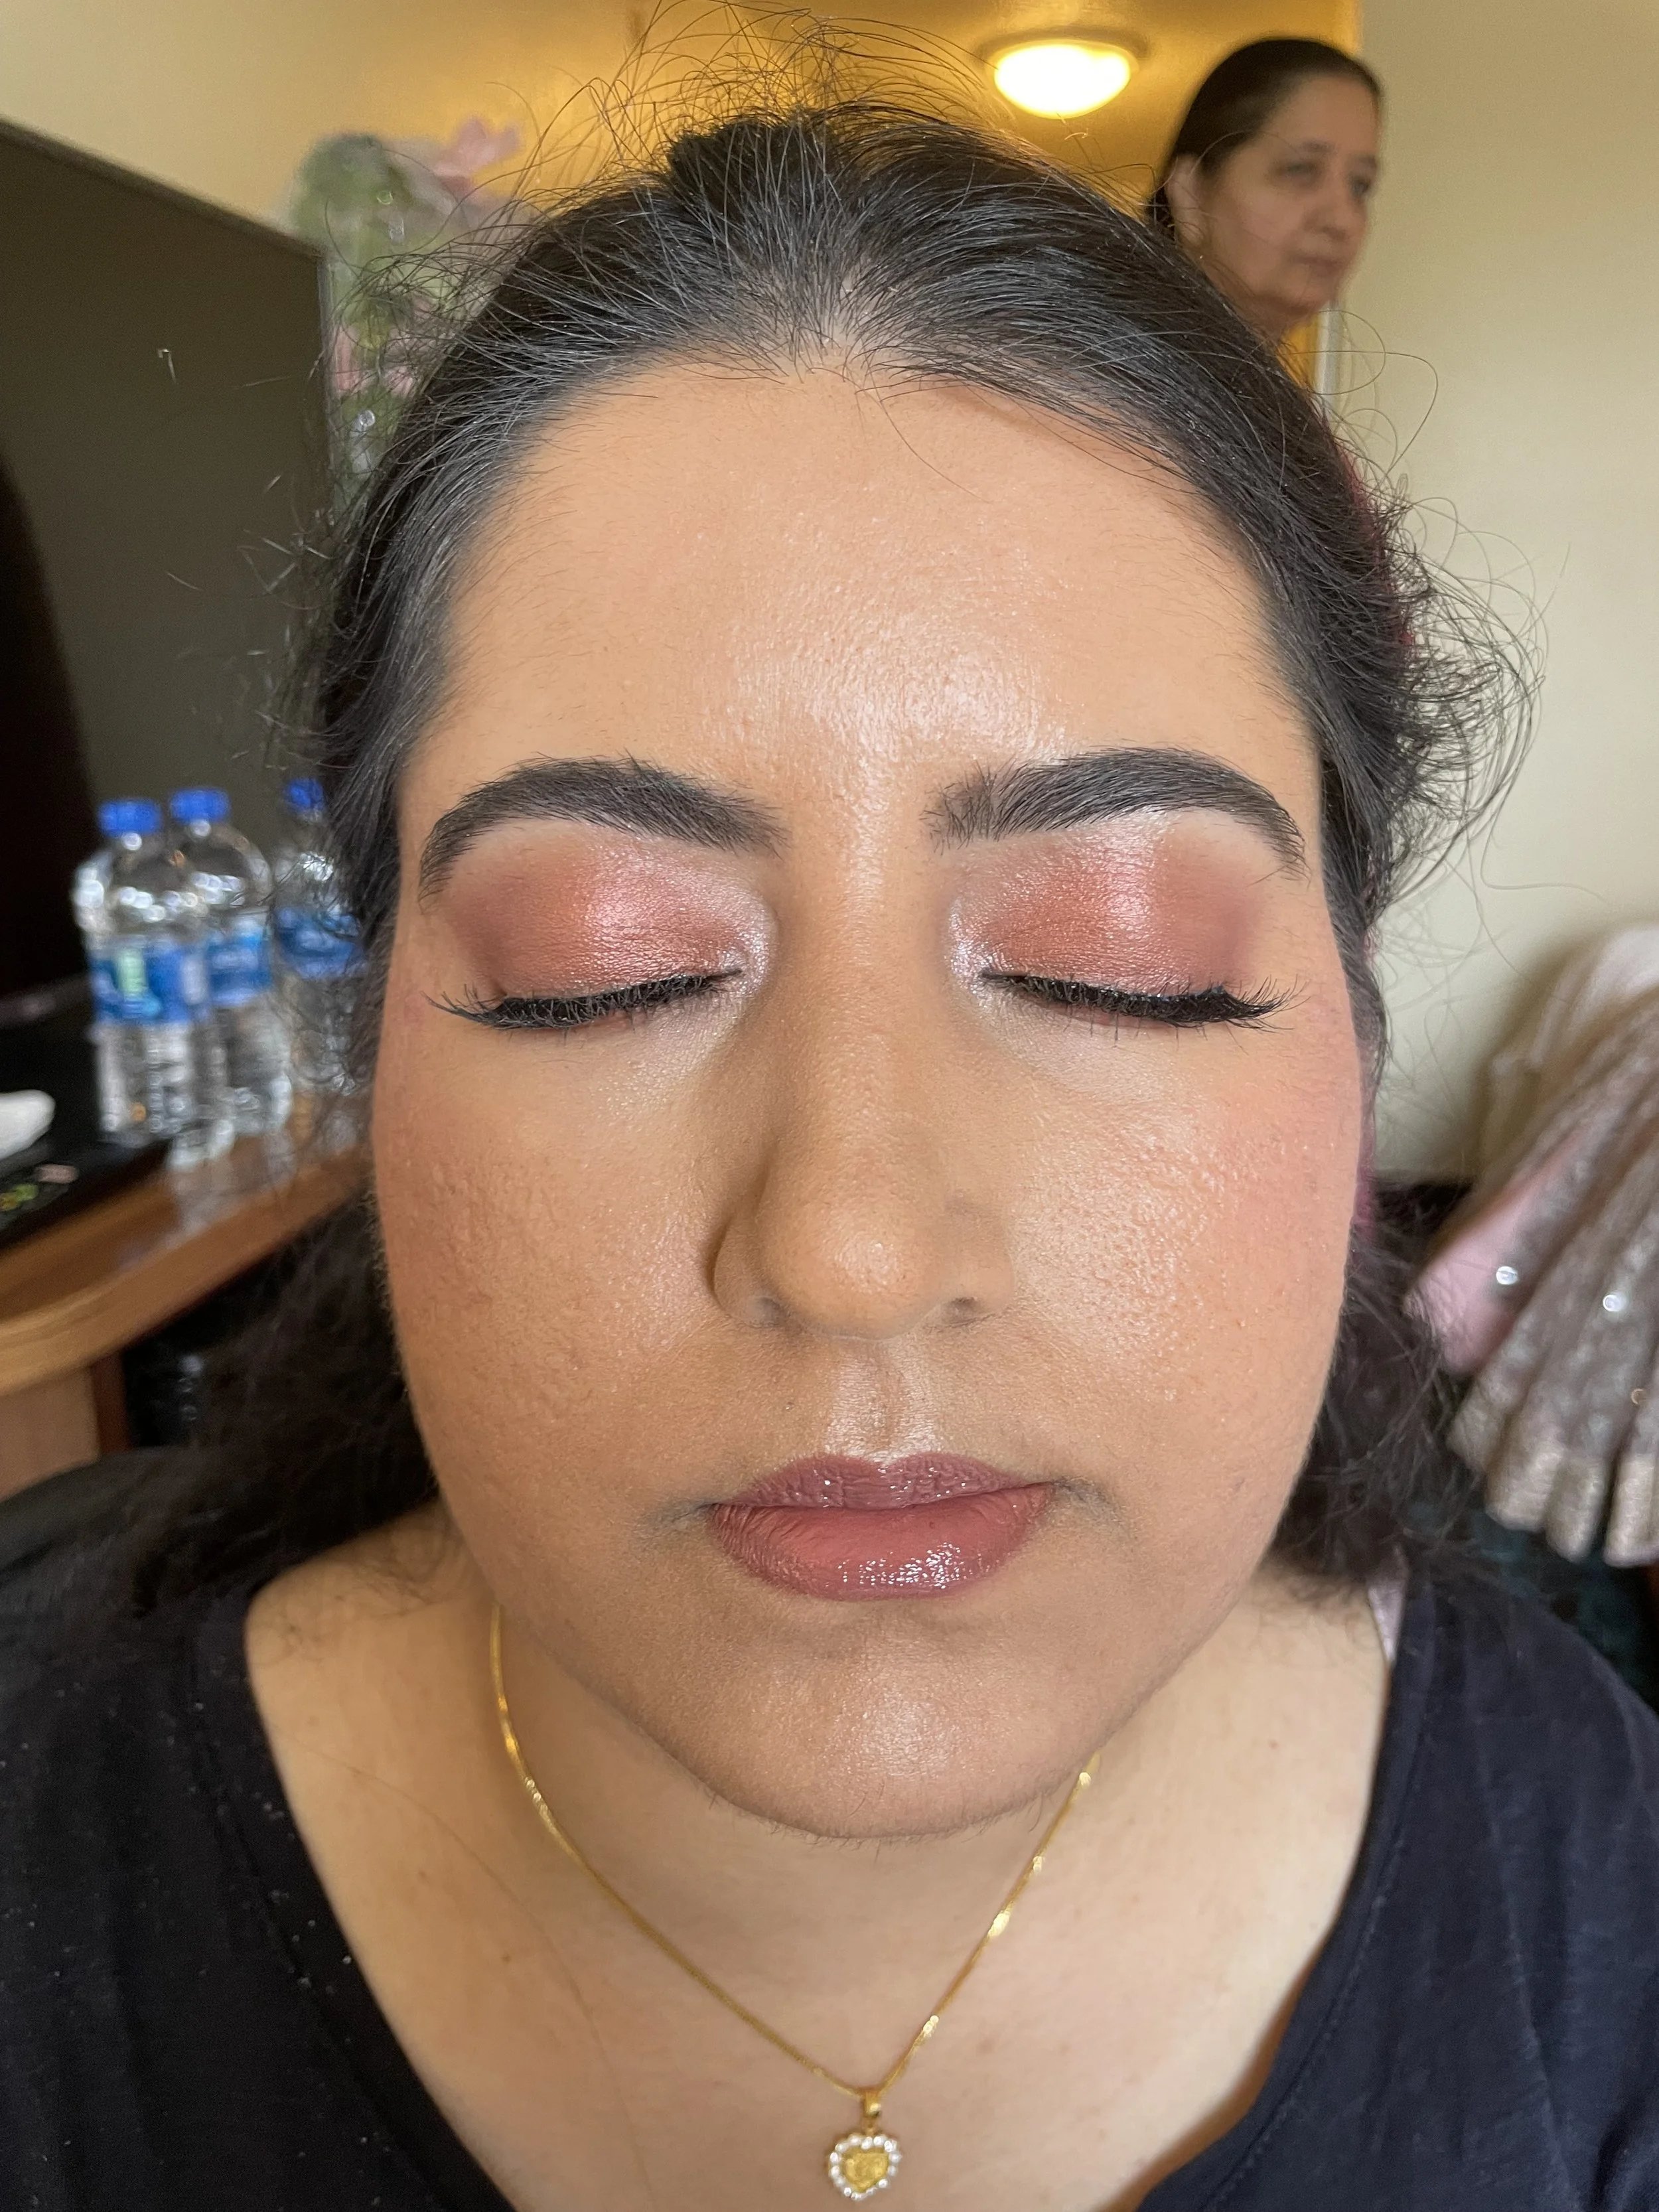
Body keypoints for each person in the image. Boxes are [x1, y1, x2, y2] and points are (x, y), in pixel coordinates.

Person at [1, 98, 1653, 2212]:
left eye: (1112, 964)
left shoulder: (1583, 1873)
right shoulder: (49, 1806)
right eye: (605, 969)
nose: (852, 1243)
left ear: (1350, 1028)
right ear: (374, 1039)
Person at [1149, 38, 1382, 349]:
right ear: (1189, 194)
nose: (1341, 221)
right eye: (1300, 170)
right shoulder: (1099, 374)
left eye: (1360, 185)